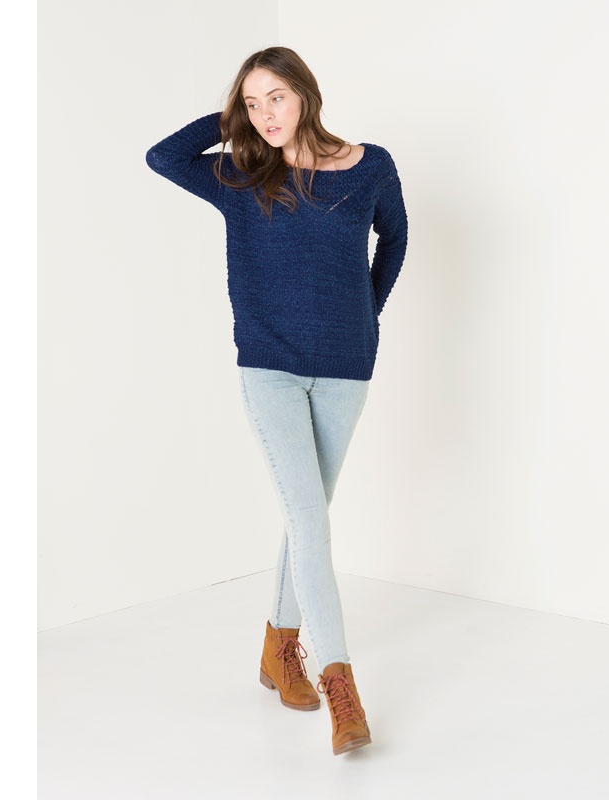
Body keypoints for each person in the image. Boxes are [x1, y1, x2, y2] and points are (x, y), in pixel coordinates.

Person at [145, 46, 408, 756]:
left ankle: (277, 647)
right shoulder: (239, 173)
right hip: (270, 368)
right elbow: (162, 157)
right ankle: (341, 686)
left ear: (306, 95)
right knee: (311, 520)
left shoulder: (370, 166)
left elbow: (395, 238)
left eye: (276, 98)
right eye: (251, 103)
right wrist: (228, 120)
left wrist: (366, 313)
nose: (265, 115)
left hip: (347, 366)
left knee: (307, 515)